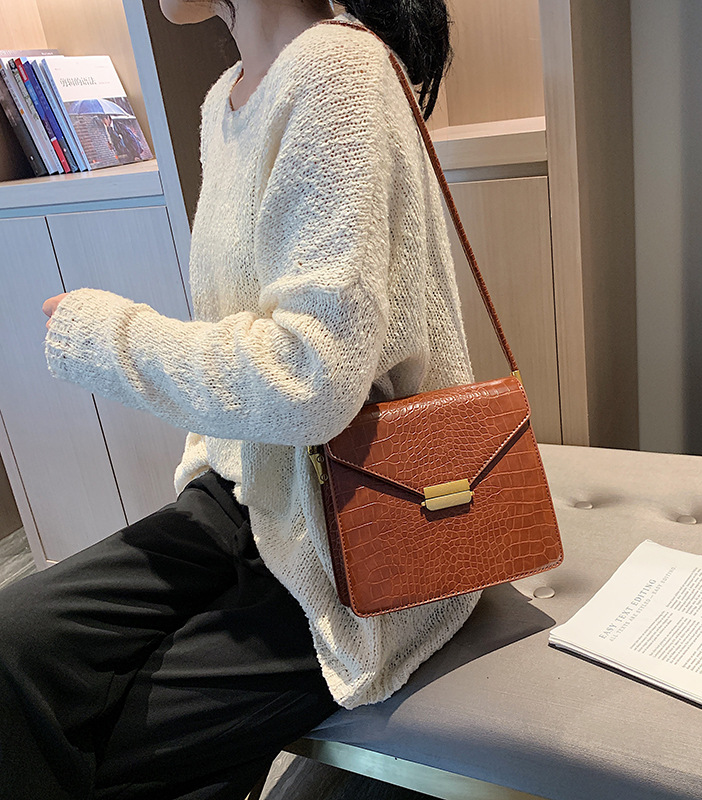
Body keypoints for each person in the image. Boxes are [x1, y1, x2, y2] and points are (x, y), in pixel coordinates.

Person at [2, 0, 481, 797]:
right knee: (17, 649)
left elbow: (311, 376)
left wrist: (110, 337)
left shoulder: (337, 70)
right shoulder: (223, 99)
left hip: (366, 525)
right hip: (247, 496)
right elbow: (236, 327)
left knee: (107, 739)